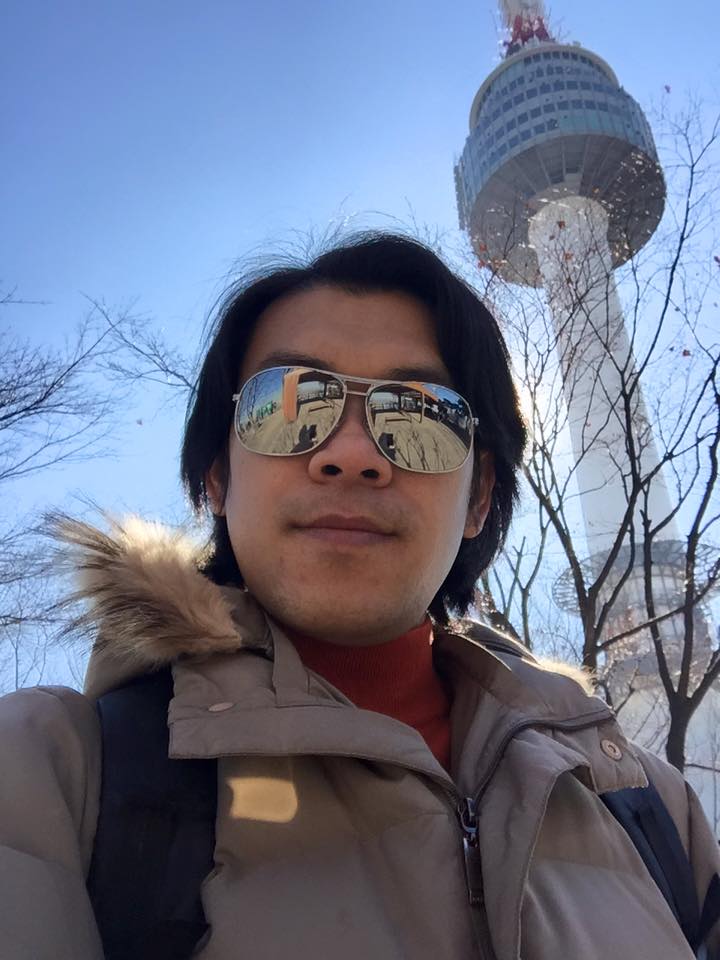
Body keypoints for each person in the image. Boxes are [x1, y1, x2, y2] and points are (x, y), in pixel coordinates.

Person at [1, 233, 718, 960]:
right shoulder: (50, 776)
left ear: (479, 496)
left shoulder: (653, 813)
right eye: (287, 404)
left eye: (419, 415)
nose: (351, 454)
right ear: (216, 476)